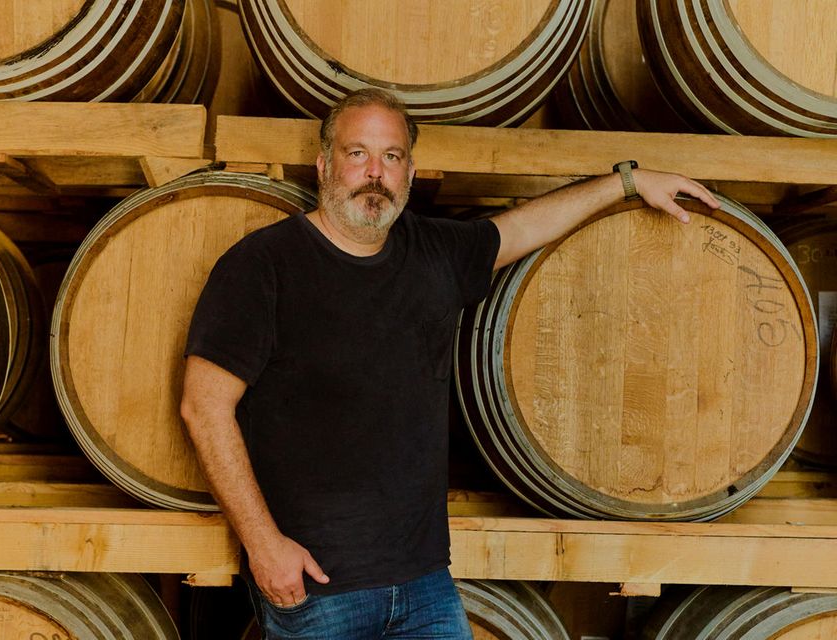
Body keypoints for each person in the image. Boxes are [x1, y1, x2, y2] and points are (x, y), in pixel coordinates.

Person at [179, 88, 720, 639]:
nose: (374, 173)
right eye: (357, 153)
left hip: (424, 583)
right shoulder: (263, 265)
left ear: (409, 171)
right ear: (324, 164)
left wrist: (628, 183)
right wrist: (263, 545)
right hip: (318, 587)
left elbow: (523, 229)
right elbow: (204, 407)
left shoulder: (432, 252)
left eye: (391, 157)